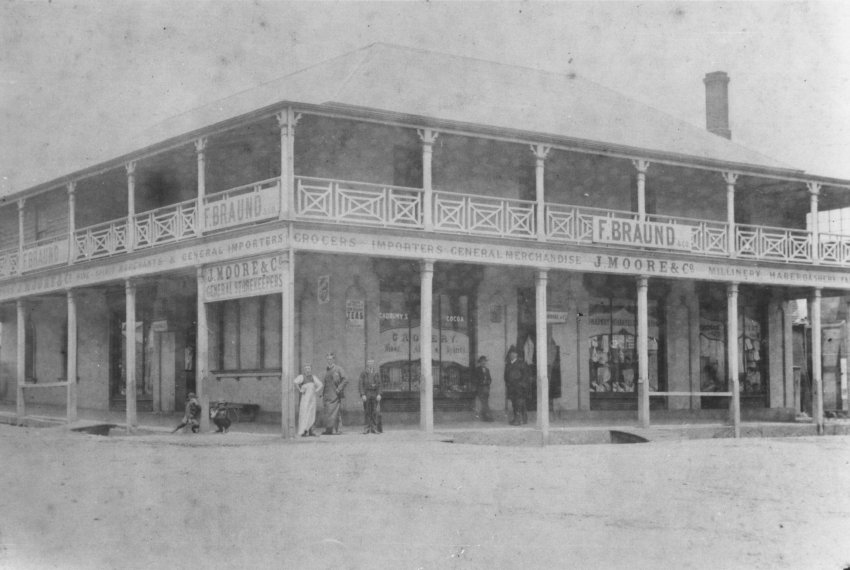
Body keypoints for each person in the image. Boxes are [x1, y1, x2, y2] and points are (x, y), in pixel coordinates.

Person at [322, 352, 348, 435]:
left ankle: (335, 430)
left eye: (331, 359)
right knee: (328, 413)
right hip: (327, 395)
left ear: (333, 359)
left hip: (335, 394)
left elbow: (345, 379)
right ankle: (330, 429)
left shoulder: (338, 369)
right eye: (328, 359)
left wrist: (339, 388)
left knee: (335, 412)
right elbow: (325, 383)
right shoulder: (326, 370)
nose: (329, 360)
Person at [294, 364, 323, 437]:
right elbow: (295, 382)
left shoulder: (313, 377)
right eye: (306, 368)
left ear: (311, 369)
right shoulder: (301, 377)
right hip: (305, 399)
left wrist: (316, 391)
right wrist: (300, 390)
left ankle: (311, 431)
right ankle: (303, 431)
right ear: (304, 370)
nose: (307, 370)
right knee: (304, 413)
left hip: (312, 399)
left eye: (309, 368)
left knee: (311, 414)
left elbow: (320, 384)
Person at [504, 346, 529, 426]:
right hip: (511, 387)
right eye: (510, 353)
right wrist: (508, 384)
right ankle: (518, 418)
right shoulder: (508, 364)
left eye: (514, 353)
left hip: (519, 388)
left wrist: (521, 384)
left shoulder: (521, 363)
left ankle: (519, 420)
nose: (512, 355)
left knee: (519, 403)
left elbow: (526, 375)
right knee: (514, 403)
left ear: (516, 354)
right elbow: (505, 376)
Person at [358, 357, 382, 434]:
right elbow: (360, 384)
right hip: (367, 393)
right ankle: (366, 428)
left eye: (372, 362)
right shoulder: (363, 373)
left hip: (374, 394)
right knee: (367, 411)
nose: (370, 364)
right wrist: (362, 394)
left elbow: (379, 384)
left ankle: (374, 428)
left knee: (374, 411)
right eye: (369, 362)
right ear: (367, 363)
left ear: (373, 363)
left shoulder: (376, 373)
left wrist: (379, 394)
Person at [472, 355, 494, 422]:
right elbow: (474, 379)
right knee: (484, 402)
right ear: (480, 362)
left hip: (486, 388)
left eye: (484, 361)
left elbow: (490, 379)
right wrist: (481, 382)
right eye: (482, 361)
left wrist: (488, 381)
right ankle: (487, 417)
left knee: (485, 402)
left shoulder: (487, 370)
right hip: (480, 388)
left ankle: (485, 416)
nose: (483, 363)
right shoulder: (477, 369)